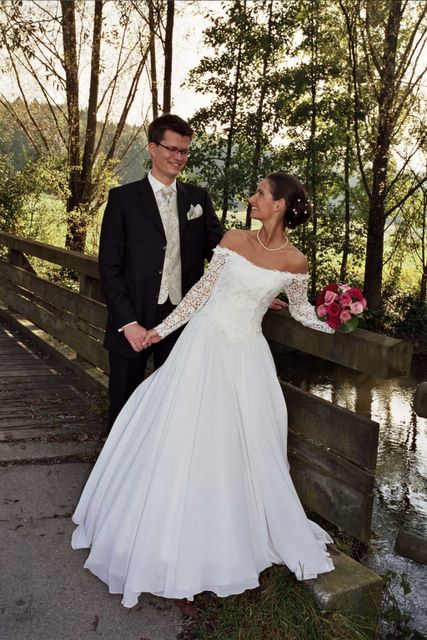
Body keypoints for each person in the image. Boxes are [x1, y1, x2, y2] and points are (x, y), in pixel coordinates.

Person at [72, 172, 335, 607]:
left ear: (279, 205)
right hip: (203, 345)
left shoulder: (295, 261)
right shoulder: (233, 239)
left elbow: (303, 311)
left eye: (261, 193)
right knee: (181, 432)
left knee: (238, 441)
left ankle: (228, 530)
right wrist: (159, 330)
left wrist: (337, 320)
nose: (252, 197)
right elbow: (199, 294)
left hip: (247, 357)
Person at [99, 114, 223, 430]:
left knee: (175, 407)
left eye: (184, 151)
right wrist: (128, 323)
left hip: (181, 321)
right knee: (123, 405)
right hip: (133, 319)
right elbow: (110, 267)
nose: (179, 157)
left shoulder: (198, 198)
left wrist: (254, 286)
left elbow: (221, 255)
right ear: (153, 147)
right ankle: (118, 460)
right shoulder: (122, 199)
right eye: (172, 149)